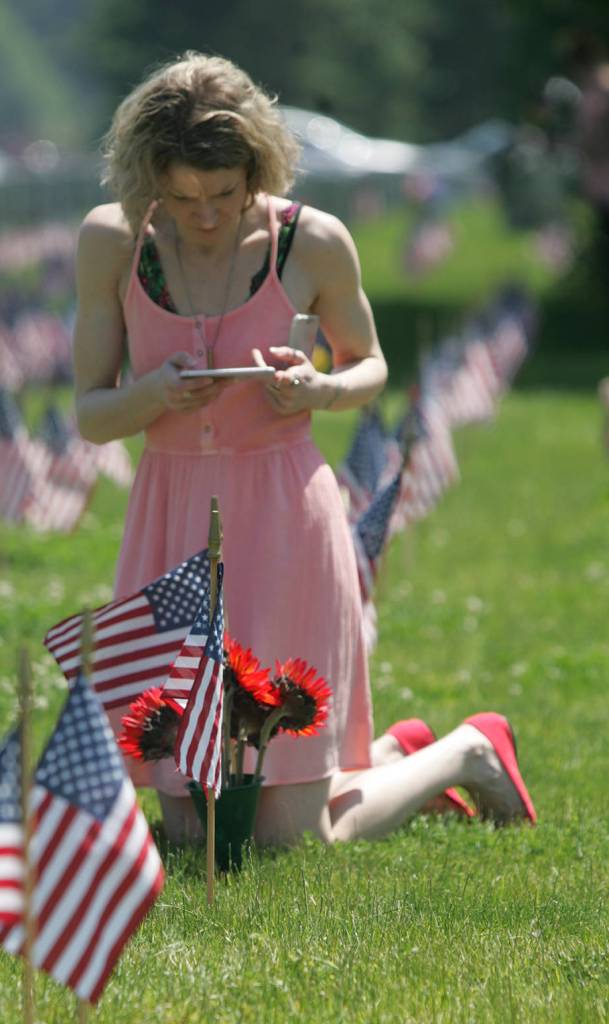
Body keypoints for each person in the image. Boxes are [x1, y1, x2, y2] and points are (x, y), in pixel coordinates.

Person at [73, 52, 535, 844]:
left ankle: (467, 749)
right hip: (169, 526)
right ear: (147, 177)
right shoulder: (112, 240)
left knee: (288, 840)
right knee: (192, 836)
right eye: (181, 197)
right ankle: (392, 756)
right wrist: (152, 394)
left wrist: (316, 389)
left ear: (257, 169)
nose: (205, 214)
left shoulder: (311, 240)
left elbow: (370, 365)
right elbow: (90, 413)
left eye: (224, 194)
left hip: (284, 521)